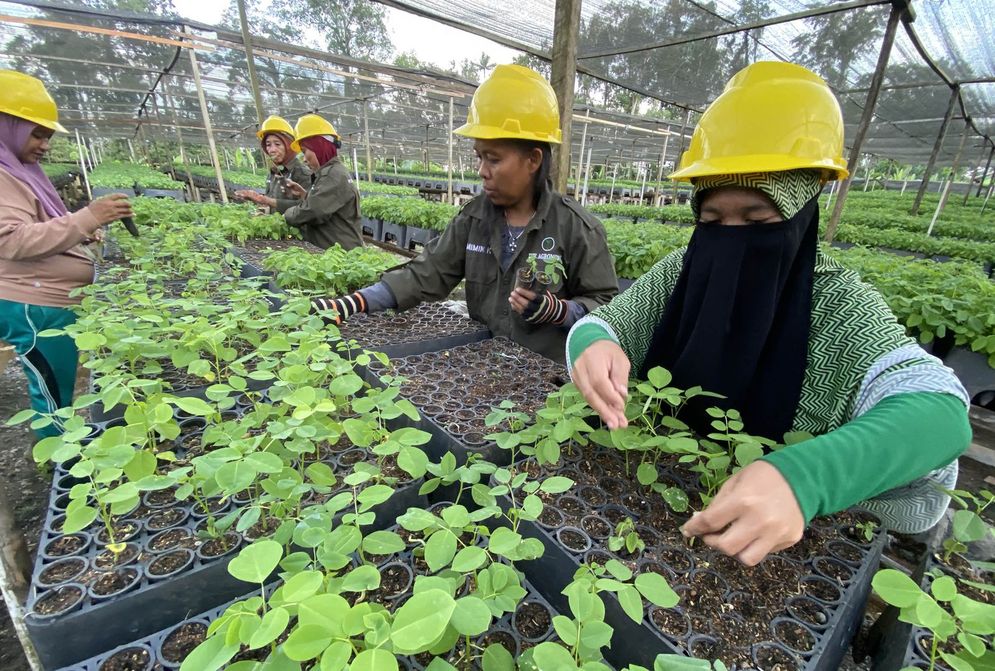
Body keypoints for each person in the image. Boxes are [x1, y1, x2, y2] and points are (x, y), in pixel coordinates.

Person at [566, 62, 971, 566]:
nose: (731, 239)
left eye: (758, 220)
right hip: (651, 499)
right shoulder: (681, 273)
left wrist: (807, 477)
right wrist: (594, 344)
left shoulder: (839, 304)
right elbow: (603, 324)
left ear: (802, 211)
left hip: (776, 550)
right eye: (712, 219)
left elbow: (940, 411)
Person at [310, 65, 618, 364]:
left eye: (493, 159)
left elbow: (607, 307)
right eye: (479, 157)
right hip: (483, 368)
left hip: (548, 380)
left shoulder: (576, 228)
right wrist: (353, 302)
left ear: (533, 160)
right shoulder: (474, 219)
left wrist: (561, 312)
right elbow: (425, 273)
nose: (482, 171)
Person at [0, 70, 133, 437]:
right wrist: (87, 217)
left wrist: (80, 236)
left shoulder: (19, 171)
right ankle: (60, 457)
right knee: (50, 390)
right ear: (7, 126)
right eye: (37, 134)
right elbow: (11, 241)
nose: (44, 145)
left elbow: (37, 226)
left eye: (48, 136)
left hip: (48, 298)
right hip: (32, 304)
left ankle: (66, 448)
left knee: (58, 381)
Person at [240, 114, 362, 250]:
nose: (304, 159)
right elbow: (323, 204)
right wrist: (305, 195)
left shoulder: (333, 175)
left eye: (304, 151)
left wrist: (284, 216)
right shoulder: (328, 172)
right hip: (331, 249)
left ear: (319, 147)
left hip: (341, 253)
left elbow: (313, 212)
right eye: (268, 145)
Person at [234, 114, 310, 204]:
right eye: (268, 145)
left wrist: (266, 201)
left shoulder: (302, 173)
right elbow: (271, 201)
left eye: (277, 144)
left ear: (289, 146)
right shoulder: (274, 172)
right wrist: (258, 199)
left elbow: (307, 207)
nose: (272, 150)